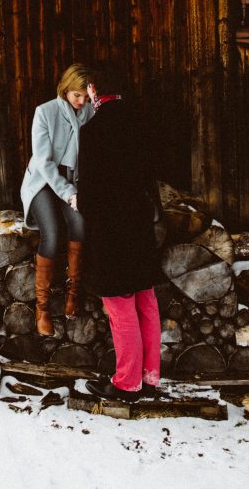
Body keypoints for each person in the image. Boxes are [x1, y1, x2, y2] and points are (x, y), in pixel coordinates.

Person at [79, 66, 161, 403]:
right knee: (145, 299)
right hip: (140, 224)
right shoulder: (141, 123)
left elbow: (89, 191)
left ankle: (127, 382)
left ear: (95, 90)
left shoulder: (93, 129)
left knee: (119, 303)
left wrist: (82, 207)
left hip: (111, 228)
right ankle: (150, 376)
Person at [20, 63, 95, 336]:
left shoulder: (88, 112)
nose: (81, 102)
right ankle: (43, 309)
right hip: (44, 181)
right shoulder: (45, 112)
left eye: (85, 97)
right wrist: (67, 192)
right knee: (51, 232)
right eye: (77, 95)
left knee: (80, 226)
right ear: (65, 90)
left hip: (73, 183)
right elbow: (43, 161)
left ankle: (72, 294)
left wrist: (79, 191)